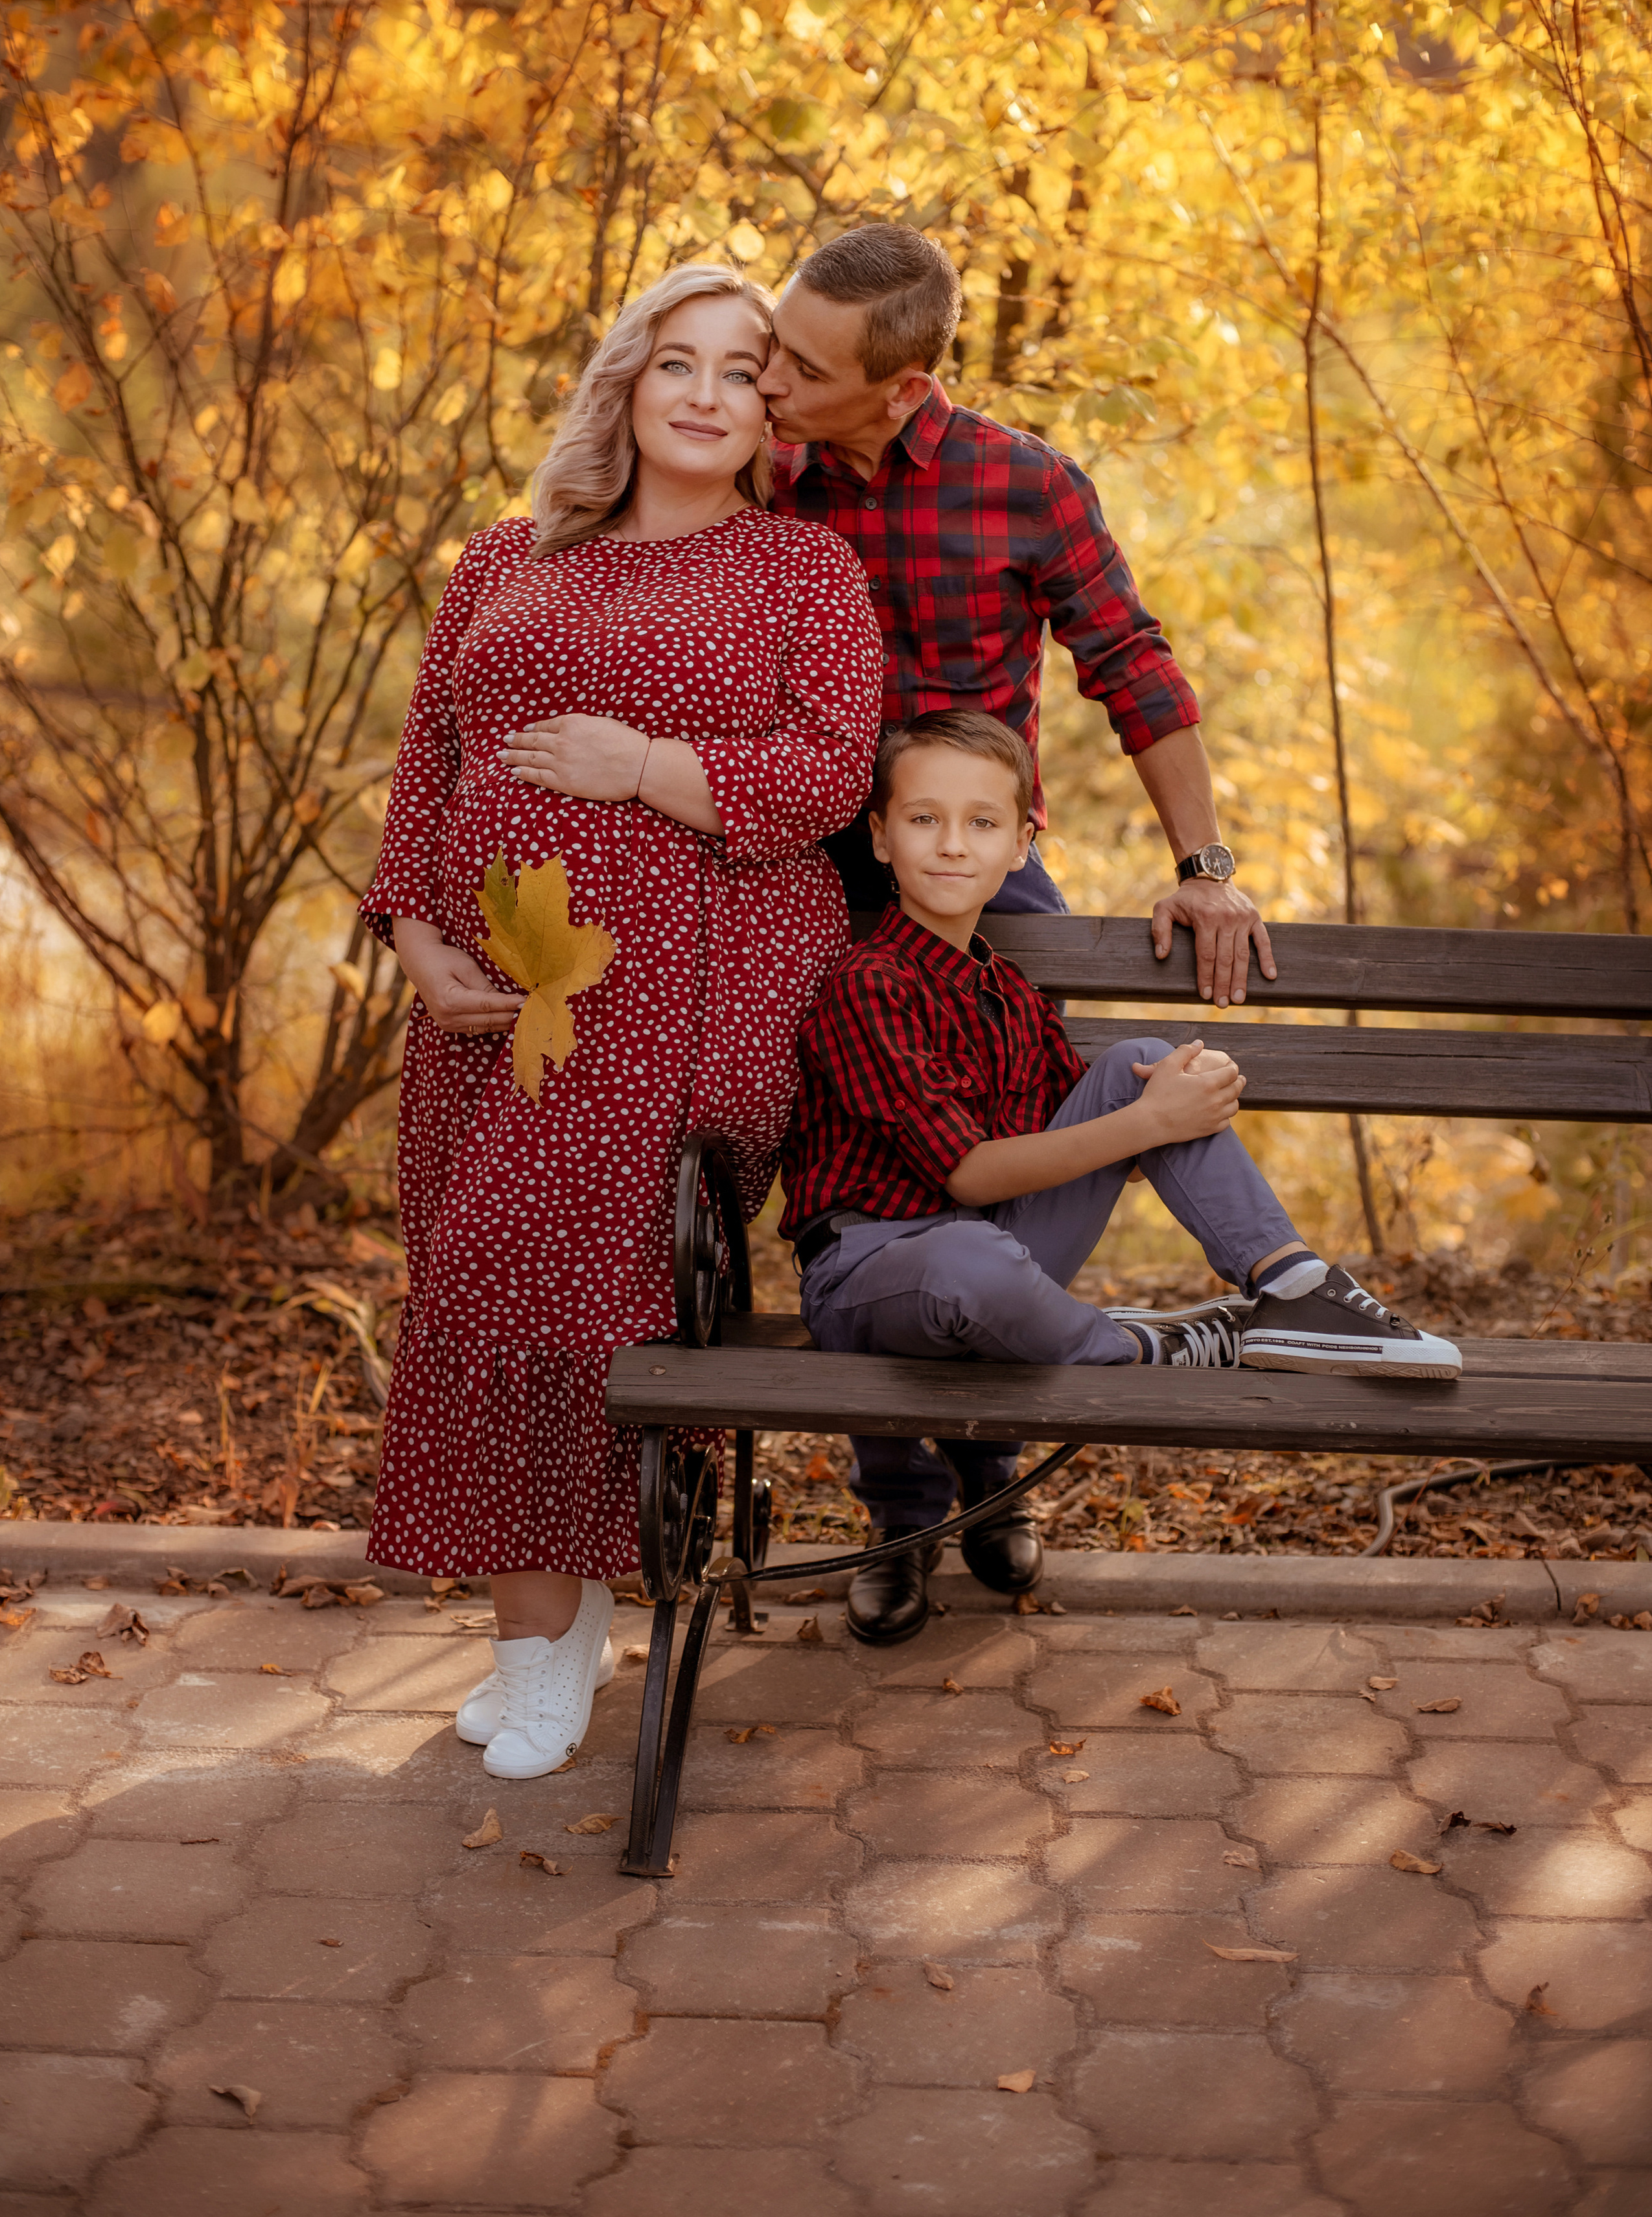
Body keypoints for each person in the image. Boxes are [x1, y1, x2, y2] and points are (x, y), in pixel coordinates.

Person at [358, 265, 881, 1776]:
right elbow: (428, 761)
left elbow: (828, 774)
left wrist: (641, 763)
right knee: (490, 1275)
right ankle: (558, 1612)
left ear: (767, 405)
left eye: (740, 369)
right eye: (678, 365)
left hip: (683, 985)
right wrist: (409, 931)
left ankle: (538, 1647)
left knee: (534, 1281)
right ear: (627, 386)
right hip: (485, 995)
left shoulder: (799, 573)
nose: (707, 394)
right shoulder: (502, 558)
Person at [759, 222, 1278, 1629]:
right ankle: (901, 1515)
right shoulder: (761, 476)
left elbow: (1126, 657)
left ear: (903, 384)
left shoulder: (1021, 483)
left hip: (978, 876)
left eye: (801, 367)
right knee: (860, 1203)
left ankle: (985, 1474)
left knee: (987, 1164)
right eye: (772, 341)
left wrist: (1203, 862)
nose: (767, 377)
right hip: (815, 870)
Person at [780, 709, 1461, 1647]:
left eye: (982, 823)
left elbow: (1094, 1148)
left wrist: (1177, 1108)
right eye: (925, 819)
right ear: (881, 837)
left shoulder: (1013, 999)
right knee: (971, 1264)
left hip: (1005, 1248)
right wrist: (1146, 1124)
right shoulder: (868, 982)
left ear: (1023, 843)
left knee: (1143, 1056)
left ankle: (1295, 1286)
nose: (951, 844)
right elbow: (972, 1177)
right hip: (873, 1266)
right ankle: (1104, 1379)